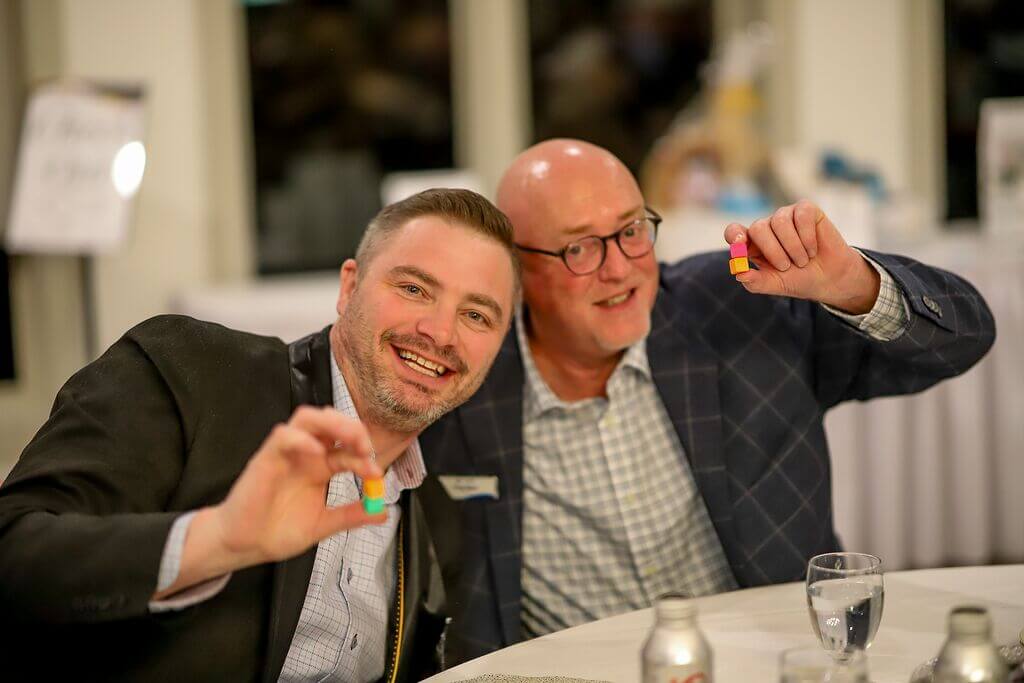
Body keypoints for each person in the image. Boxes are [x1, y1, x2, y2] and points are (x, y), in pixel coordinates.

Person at [417, 139, 996, 663]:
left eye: (631, 230)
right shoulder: (460, 378)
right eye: (579, 248)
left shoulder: (736, 308)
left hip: (776, 664)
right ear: (514, 268)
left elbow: (967, 337)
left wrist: (852, 284)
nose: (620, 269)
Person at [0, 188, 519, 682]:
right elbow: (14, 553)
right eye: (413, 289)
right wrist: (216, 539)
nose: (440, 332)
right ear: (349, 287)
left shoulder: (446, 501)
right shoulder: (188, 370)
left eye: (476, 315)